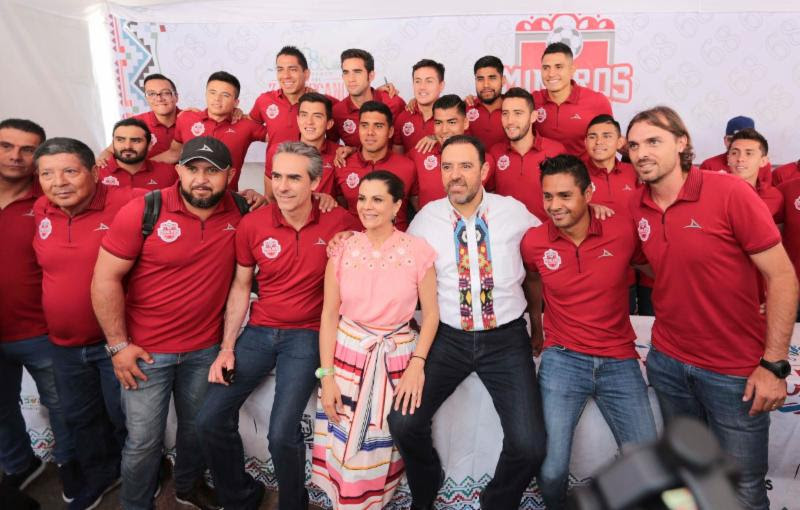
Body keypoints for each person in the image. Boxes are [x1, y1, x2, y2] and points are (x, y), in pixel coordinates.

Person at [627, 106, 798, 509]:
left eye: (653, 141)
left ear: (681, 142)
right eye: (633, 145)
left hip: (733, 371)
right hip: (668, 363)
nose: (641, 152)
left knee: (743, 490)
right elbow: (650, 259)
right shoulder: (637, 204)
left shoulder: (729, 192)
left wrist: (774, 364)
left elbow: (782, 276)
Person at [91, 137, 260, 510]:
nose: (201, 179)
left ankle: (187, 487)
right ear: (179, 170)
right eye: (193, 169)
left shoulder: (241, 210)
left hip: (204, 350)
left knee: (196, 431)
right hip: (145, 352)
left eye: (212, 171)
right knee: (143, 442)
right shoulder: (145, 209)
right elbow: (105, 279)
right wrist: (118, 346)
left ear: (230, 174)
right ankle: (136, 505)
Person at [196, 142, 360, 510]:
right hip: (259, 331)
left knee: (282, 434)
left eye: (294, 178)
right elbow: (241, 286)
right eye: (277, 176)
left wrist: (353, 239)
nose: (282, 186)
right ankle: (240, 496)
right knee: (209, 419)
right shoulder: (253, 224)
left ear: (315, 183)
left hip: (307, 336)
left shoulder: (340, 221)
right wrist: (227, 348)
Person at [388, 135, 546, 510]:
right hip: (448, 339)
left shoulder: (513, 212)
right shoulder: (426, 220)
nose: (455, 175)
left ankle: (496, 502)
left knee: (529, 445)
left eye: (465, 166)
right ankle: (426, 486)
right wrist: (346, 238)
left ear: (484, 171)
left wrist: (592, 210)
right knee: (403, 422)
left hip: (506, 341)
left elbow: (552, 240)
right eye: (447, 167)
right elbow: (394, 261)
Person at [520, 154, 657, 510]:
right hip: (562, 358)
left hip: (619, 359)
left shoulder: (622, 229)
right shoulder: (533, 241)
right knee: (551, 471)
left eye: (565, 195)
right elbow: (532, 280)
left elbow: (661, 269)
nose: (554, 205)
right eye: (548, 196)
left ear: (589, 194)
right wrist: (537, 325)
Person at [312, 170, 438, 509]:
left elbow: (431, 315)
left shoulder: (418, 251)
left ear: (397, 205)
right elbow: (329, 315)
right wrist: (327, 376)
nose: (367, 206)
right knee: (343, 435)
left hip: (395, 359)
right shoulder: (343, 249)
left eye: (378, 199)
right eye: (363, 198)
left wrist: (417, 364)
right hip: (347, 356)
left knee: (380, 443)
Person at [33, 137, 136, 509]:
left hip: (116, 344)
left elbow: (187, 195)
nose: (58, 182)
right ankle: (101, 475)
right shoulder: (41, 208)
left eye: (69, 171)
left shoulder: (127, 202)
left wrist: (249, 199)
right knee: (81, 418)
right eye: (47, 174)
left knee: (125, 417)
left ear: (94, 173)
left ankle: (141, 474)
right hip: (63, 345)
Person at [0, 119, 78, 501]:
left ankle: (70, 466)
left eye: (27, 149)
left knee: (61, 406)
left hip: (40, 329)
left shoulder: (52, 197)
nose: (15, 156)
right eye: (6, 146)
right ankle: (19, 464)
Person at [154, 71, 267, 192]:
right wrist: (143, 163)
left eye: (225, 95)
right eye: (212, 92)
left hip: (227, 196)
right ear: (206, 94)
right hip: (189, 195)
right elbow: (174, 153)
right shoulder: (186, 118)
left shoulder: (246, 125)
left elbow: (277, 136)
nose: (217, 99)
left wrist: (265, 106)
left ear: (235, 102)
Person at [582, 114, 643, 314]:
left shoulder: (635, 172)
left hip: (628, 273)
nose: (599, 141)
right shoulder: (574, 173)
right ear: (585, 142)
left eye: (607, 136)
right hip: (587, 275)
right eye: (592, 136)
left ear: (620, 142)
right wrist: (585, 208)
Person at [250, 46, 340, 179]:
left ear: (306, 74)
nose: (286, 76)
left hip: (314, 174)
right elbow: (250, 125)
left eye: (292, 69)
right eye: (280, 69)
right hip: (276, 173)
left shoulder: (326, 103)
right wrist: (267, 135)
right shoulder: (264, 100)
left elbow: (341, 133)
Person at [334, 101, 416, 230]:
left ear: (390, 131)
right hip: (355, 240)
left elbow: (420, 209)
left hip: (398, 240)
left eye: (378, 126)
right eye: (364, 125)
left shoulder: (408, 166)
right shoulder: (342, 164)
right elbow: (340, 209)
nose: (370, 132)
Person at [409, 94, 495, 210]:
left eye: (452, 122)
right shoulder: (419, 153)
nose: (444, 130)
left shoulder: (485, 159)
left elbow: (490, 197)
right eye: (438, 123)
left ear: (465, 123)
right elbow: (412, 196)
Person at [490, 87, 564, 221]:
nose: (510, 121)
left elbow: (568, 196)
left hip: (545, 231)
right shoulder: (495, 152)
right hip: (507, 232)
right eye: (505, 113)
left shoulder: (555, 151)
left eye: (518, 113)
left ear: (533, 116)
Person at [532, 42, 612, 157]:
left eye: (558, 67)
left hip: (583, 168)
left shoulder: (597, 101)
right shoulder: (532, 100)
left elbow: (610, 141)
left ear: (572, 70)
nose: (551, 74)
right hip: (543, 168)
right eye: (546, 68)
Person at [98, 74, 181, 164]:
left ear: (176, 97)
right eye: (151, 94)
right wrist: (103, 162)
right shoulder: (135, 123)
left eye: (166, 93)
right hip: (145, 173)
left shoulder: (189, 119)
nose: (159, 98)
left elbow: (176, 154)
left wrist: (141, 166)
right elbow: (109, 151)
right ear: (146, 99)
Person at [333, 48, 405, 148]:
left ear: (371, 76)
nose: (351, 79)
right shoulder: (337, 111)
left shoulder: (394, 103)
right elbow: (332, 148)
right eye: (346, 72)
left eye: (357, 72)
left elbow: (408, 143)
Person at [98, 118, 178, 190]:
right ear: (113, 143)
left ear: (149, 145)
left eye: (136, 141)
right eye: (120, 140)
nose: (127, 146)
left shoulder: (169, 173)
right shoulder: (97, 173)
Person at [727, 128, 782, 221]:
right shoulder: (712, 191)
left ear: (763, 161)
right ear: (728, 159)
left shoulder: (772, 196)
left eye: (749, 153)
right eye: (734, 153)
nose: (740, 159)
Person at [699, 115, 771, 185]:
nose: (737, 143)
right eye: (731, 139)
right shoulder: (709, 165)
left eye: (746, 140)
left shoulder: (763, 165)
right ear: (725, 140)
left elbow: (765, 189)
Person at [393, 59, 445, 154]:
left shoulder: (452, 116)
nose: (422, 87)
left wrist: (439, 138)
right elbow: (397, 157)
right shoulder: (403, 118)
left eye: (429, 81)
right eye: (417, 81)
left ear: (441, 85)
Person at [465, 56, 506, 150]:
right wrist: (434, 137)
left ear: (503, 80)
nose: (486, 84)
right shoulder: (465, 107)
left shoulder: (514, 108)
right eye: (480, 79)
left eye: (492, 78)